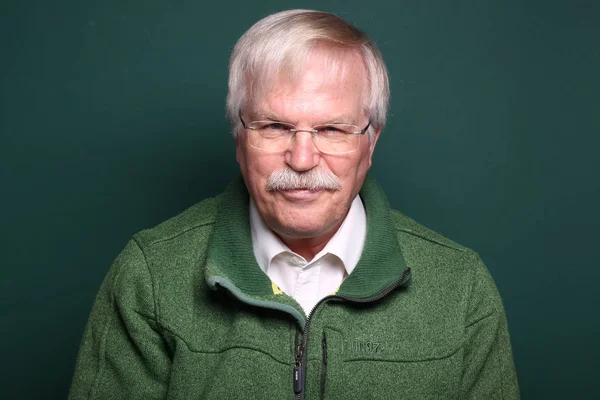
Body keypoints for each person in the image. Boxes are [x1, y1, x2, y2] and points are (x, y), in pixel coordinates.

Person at [69, 9, 519, 399]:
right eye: (275, 126)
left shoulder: (461, 288)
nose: (302, 160)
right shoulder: (150, 276)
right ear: (239, 137)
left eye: (332, 130)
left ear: (371, 143)